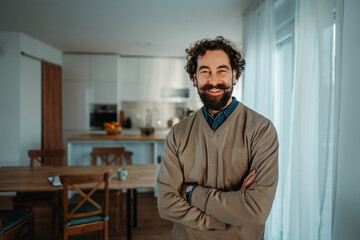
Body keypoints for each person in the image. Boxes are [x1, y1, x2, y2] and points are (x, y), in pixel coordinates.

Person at [157, 36, 278, 239]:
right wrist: (220, 216)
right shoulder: (178, 133)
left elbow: (256, 210)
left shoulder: (261, 130)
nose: (213, 81)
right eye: (205, 72)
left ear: (234, 75)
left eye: (221, 70)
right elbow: (166, 204)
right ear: (195, 78)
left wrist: (190, 192)